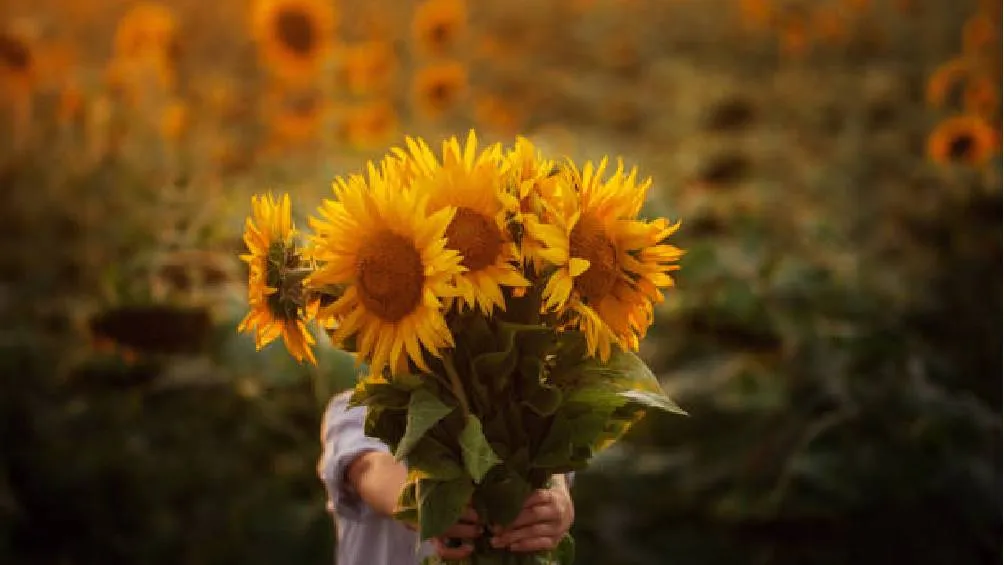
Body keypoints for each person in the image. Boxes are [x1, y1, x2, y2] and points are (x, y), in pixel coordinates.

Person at [318, 390, 575, 564]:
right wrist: (416, 504)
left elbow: (552, 465)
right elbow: (368, 467)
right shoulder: (361, 406)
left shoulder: (520, 403)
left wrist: (557, 503)